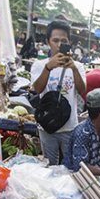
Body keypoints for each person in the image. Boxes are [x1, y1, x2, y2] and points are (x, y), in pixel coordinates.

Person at [30, 20, 87, 165]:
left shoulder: (78, 66)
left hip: (69, 126)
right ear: (48, 42)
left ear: (69, 43)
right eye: (55, 40)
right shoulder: (40, 65)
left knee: (70, 166)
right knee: (50, 166)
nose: (59, 44)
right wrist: (48, 68)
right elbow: (36, 89)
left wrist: (73, 69)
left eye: (64, 41)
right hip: (47, 126)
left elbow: (82, 91)